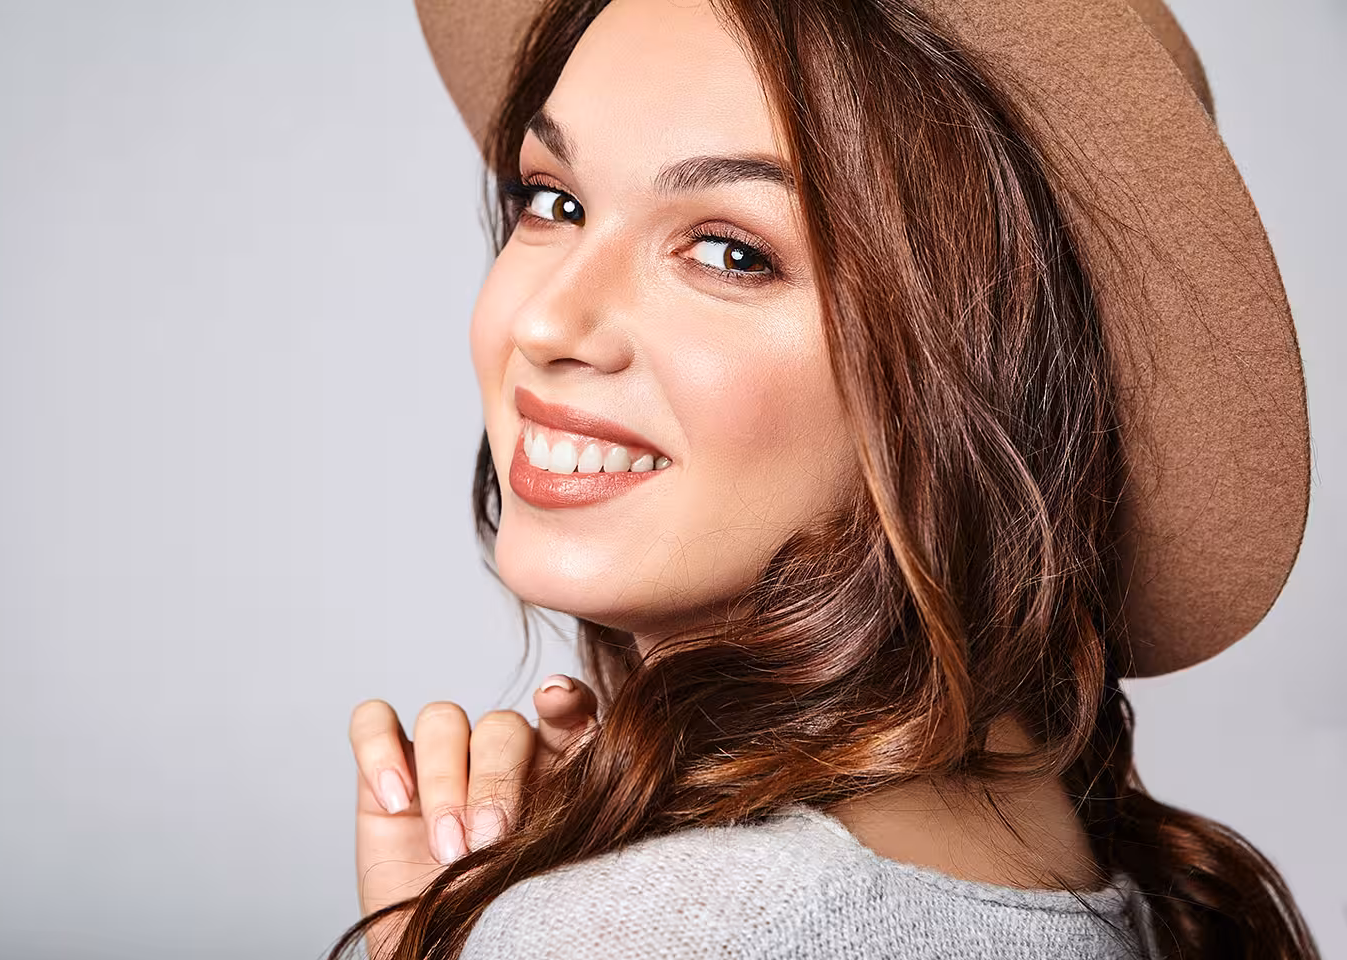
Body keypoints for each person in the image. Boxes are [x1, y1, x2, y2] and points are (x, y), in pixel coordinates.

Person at [331, 0, 1317, 956]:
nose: (546, 323)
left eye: (729, 251)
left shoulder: (664, 928)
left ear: (972, 370)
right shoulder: (1085, 878)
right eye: (556, 201)